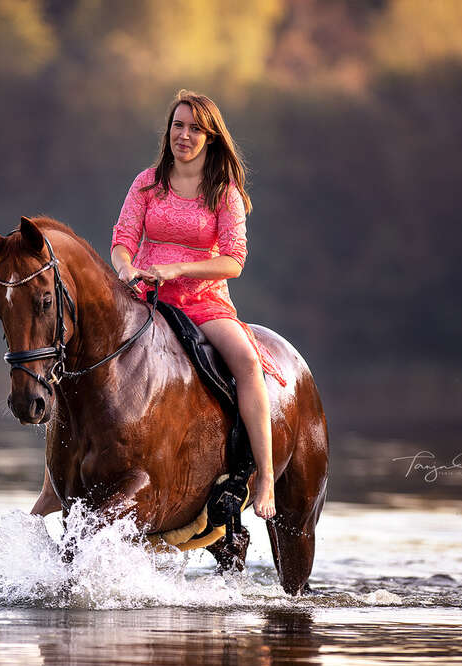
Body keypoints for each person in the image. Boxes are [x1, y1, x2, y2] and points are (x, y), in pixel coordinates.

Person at [109, 89, 287, 520]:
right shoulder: (146, 182)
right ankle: (58, 479)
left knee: (245, 361)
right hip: (144, 297)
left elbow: (234, 261)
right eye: (177, 126)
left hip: (202, 301)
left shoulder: (223, 193)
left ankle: (263, 476)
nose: (183, 135)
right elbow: (121, 241)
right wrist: (125, 270)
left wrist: (178, 270)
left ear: (210, 137)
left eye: (194, 128)